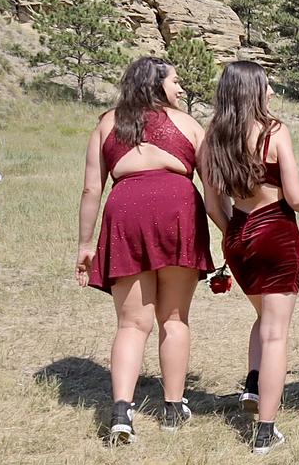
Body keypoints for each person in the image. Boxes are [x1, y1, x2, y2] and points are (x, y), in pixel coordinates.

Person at [76, 58, 214, 445]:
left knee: (131, 324)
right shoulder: (187, 124)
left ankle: (121, 411)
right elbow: (212, 187)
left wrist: (85, 244)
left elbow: (91, 189)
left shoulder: (107, 123)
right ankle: (172, 407)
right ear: (156, 85)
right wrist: (230, 231)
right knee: (174, 318)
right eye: (176, 81)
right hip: (178, 210)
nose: (181, 89)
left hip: (126, 211)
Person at [200, 61, 299, 456]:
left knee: (264, 318)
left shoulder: (213, 138)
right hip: (275, 233)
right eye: (266, 86)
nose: (271, 92)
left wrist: (233, 233)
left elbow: (212, 204)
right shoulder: (274, 132)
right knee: (276, 333)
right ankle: (266, 431)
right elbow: (296, 196)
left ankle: (254, 383)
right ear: (252, 90)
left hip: (238, 234)